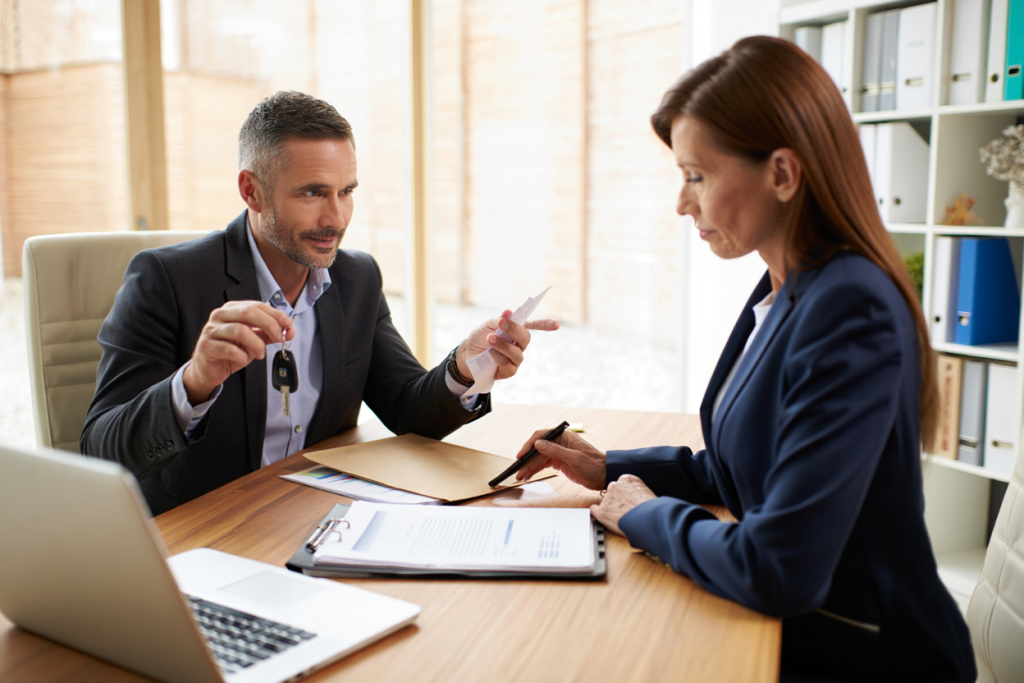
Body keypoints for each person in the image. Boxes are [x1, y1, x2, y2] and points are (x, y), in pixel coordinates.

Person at [513, 37, 975, 682]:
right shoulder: (785, 285)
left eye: (696, 176)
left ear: (782, 174)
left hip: (866, 655)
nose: (682, 203)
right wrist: (609, 467)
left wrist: (644, 515)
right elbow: (758, 465)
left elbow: (780, 569)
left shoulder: (851, 309)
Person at [82, 90, 557, 515]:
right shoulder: (166, 279)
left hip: (315, 517)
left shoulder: (356, 278)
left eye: (346, 192)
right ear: (252, 191)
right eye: (313, 193)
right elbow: (100, 450)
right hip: (206, 528)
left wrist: (466, 367)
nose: (337, 218)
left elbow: (407, 411)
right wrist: (194, 382)